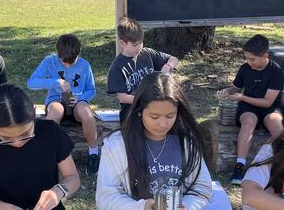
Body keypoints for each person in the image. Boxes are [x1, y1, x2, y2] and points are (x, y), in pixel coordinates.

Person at [96, 72, 212, 210]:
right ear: (139, 111)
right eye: (154, 117)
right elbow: (105, 197)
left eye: (170, 116)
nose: (163, 124)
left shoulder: (186, 142)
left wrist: (187, 206)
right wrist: (142, 207)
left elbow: (201, 187)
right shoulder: (116, 145)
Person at [0, 84, 81, 209]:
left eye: (25, 134)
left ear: (34, 113)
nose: (17, 142)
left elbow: (72, 178)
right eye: (7, 139)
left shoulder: (51, 132)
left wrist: (58, 191)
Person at [28, 34, 100, 175]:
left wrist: (80, 98)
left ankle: (93, 152)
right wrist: (54, 83)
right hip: (56, 100)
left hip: (77, 102)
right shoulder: (49, 61)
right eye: (63, 62)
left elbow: (92, 90)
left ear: (79, 53)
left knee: (86, 112)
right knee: (56, 111)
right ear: (57, 54)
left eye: (71, 62)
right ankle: (48, 154)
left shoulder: (84, 65)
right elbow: (31, 83)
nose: (67, 64)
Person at [217, 34, 284, 185]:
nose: (249, 62)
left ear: (265, 56)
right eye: (246, 58)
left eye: (252, 59)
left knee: (276, 123)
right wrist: (227, 92)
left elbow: (268, 102)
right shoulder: (245, 68)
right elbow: (235, 88)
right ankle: (240, 165)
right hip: (248, 107)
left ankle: (282, 164)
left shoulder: (276, 71)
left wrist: (242, 97)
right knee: (248, 122)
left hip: (270, 107)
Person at [107, 17, 179, 123]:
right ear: (122, 43)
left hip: (154, 103)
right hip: (132, 110)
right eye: (135, 44)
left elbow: (174, 59)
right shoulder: (117, 67)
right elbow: (122, 98)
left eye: (141, 43)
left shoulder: (147, 53)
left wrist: (167, 67)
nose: (139, 47)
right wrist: (146, 100)